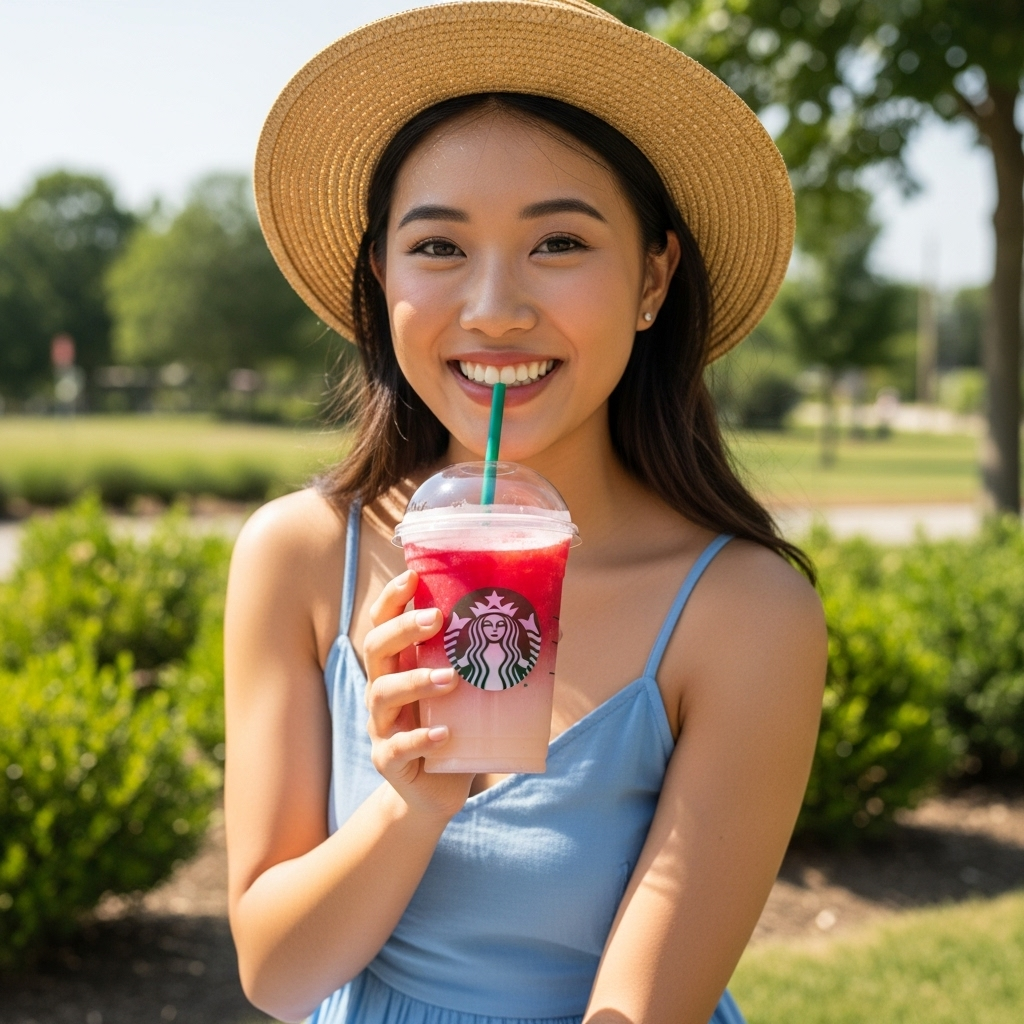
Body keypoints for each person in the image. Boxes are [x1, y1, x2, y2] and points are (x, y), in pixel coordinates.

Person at [224, 3, 828, 1023]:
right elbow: (276, 974)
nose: (494, 307)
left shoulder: (745, 611)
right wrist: (412, 800)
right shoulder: (297, 554)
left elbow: (639, 1008)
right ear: (382, 276)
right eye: (438, 247)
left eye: (557, 241)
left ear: (651, 276)